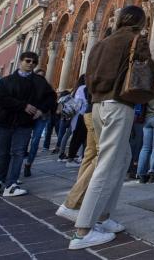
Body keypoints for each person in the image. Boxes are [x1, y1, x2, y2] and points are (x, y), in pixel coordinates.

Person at [69, 5, 154, 250]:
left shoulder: (100, 44)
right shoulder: (135, 40)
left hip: (97, 104)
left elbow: (88, 77)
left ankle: (103, 217)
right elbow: (148, 70)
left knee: (122, 157)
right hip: (119, 104)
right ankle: (83, 229)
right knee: (108, 163)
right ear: (139, 22)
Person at [0, 52, 56, 197]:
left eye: (34, 62)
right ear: (20, 61)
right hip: (4, 121)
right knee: (2, 152)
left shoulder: (39, 81)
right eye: (28, 61)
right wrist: (23, 105)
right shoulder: (7, 80)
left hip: (24, 123)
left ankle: (11, 184)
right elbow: (1, 99)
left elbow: (51, 97)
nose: (31, 64)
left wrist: (41, 110)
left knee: (18, 153)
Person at [56, 74, 98, 223]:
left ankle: (83, 205)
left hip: (92, 109)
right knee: (104, 156)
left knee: (91, 155)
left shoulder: (83, 86)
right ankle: (73, 203)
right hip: (101, 108)